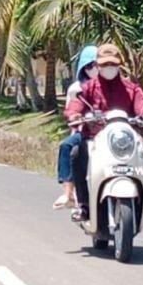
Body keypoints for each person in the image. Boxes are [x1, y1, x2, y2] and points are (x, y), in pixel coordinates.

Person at [65, 44, 143, 223]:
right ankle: (84, 205)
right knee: (77, 153)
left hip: (125, 140)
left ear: (119, 65)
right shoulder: (88, 88)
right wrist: (75, 114)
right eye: (104, 64)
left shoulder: (131, 88)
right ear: (98, 65)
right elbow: (76, 106)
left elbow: (142, 105)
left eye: (113, 64)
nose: (108, 68)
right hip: (95, 138)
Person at [53, 45, 98, 210]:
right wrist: (74, 115)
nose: (96, 69)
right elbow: (72, 109)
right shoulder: (78, 89)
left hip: (113, 134)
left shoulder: (119, 86)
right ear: (85, 69)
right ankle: (68, 193)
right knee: (67, 146)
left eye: (99, 64)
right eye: (91, 66)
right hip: (87, 132)